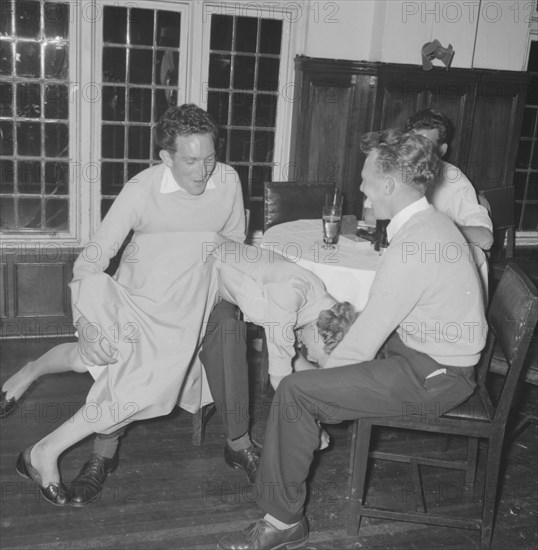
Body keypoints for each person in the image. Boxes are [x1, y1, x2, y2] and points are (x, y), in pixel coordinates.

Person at [217, 129, 487, 550]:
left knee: (294, 393)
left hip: (435, 376)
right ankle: (301, 435)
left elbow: (363, 343)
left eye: (365, 178)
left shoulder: (414, 242)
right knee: (319, 360)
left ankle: (283, 519)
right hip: (420, 354)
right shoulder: (430, 222)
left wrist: (314, 393)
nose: (360, 187)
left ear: (389, 184)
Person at [0, 104, 257, 505]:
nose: (203, 170)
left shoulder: (227, 181)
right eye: (191, 160)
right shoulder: (142, 189)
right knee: (98, 354)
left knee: (147, 374)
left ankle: (46, 449)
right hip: (137, 296)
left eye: (210, 158)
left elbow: (234, 245)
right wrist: (85, 324)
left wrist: (225, 296)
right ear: (166, 157)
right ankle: (39, 397)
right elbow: (91, 261)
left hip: (195, 298)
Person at [405, 108, 494, 301]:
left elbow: (485, 238)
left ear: (442, 151)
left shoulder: (454, 180)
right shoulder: (396, 170)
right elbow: (371, 218)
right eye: (412, 143)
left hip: (443, 283)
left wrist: (438, 229)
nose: (417, 152)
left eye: (425, 146)